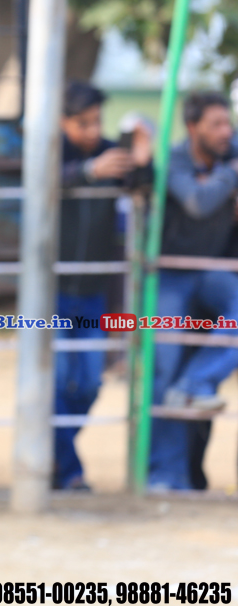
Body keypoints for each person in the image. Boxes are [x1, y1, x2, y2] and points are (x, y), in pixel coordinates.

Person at [55, 82, 152, 491]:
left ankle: (54, 455)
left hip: (93, 291)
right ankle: (68, 470)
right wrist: (88, 172)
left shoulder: (110, 152)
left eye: (97, 121)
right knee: (57, 380)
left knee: (91, 381)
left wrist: (143, 158)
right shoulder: (51, 151)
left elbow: (144, 186)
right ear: (62, 121)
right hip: (52, 290)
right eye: (83, 123)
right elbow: (40, 177)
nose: (93, 130)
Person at [150, 92, 238, 491]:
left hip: (213, 271)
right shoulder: (174, 161)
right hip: (169, 274)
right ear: (192, 127)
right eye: (216, 124)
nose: (226, 131)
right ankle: (167, 476)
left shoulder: (228, 154)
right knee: (163, 368)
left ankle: (195, 383)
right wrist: (229, 178)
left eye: (228, 123)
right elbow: (198, 202)